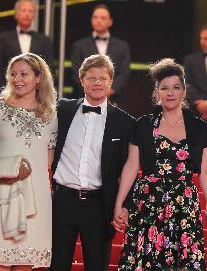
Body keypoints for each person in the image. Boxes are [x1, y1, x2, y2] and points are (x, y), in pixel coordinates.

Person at [111, 58, 207, 270]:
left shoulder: (199, 128)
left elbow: (206, 172)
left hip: (184, 206)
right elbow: (131, 166)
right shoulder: (143, 125)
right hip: (148, 204)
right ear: (157, 92)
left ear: (183, 91)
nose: (170, 93)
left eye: (175, 88)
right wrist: (120, 204)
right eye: (164, 88)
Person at [49, 54, 134, 271]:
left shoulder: (124, 122)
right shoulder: (62, 110)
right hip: (62, 202)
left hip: (99, 205)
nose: (97, 83)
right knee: (57, 265)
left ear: (111, 81)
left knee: (97, 266)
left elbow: (129, 168)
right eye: (91, 78)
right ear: (81, 80)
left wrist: (123, 206)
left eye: (102, 78)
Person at [0, 53, 57, 270]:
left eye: (24, 74)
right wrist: (9, 168)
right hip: (2, 194)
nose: (17, 79)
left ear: (38, 77)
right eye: (13, 74)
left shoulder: (50, 115)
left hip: (36, 196)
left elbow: (48, 159)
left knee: (25, 263)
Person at [70, 4, 130, 103]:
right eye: (95, 17)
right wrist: (92, 90)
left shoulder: (122, 46)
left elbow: (124, 73)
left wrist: (109, 90)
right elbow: (76, 72)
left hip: (114, 99)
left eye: (103, 18)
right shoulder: (79, 45)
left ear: (110, 22)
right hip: (85, 99)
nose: (98, 20)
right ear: (91, 20)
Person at [0, 0, 52, 97]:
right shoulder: (3, 38)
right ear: (16, 14)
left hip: (37, 95)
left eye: (30, 11)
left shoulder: (44, 40)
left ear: (34, 15)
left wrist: (46, 95)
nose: (27, 14)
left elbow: (48, 71)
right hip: (10, 92)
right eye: (24, 10)